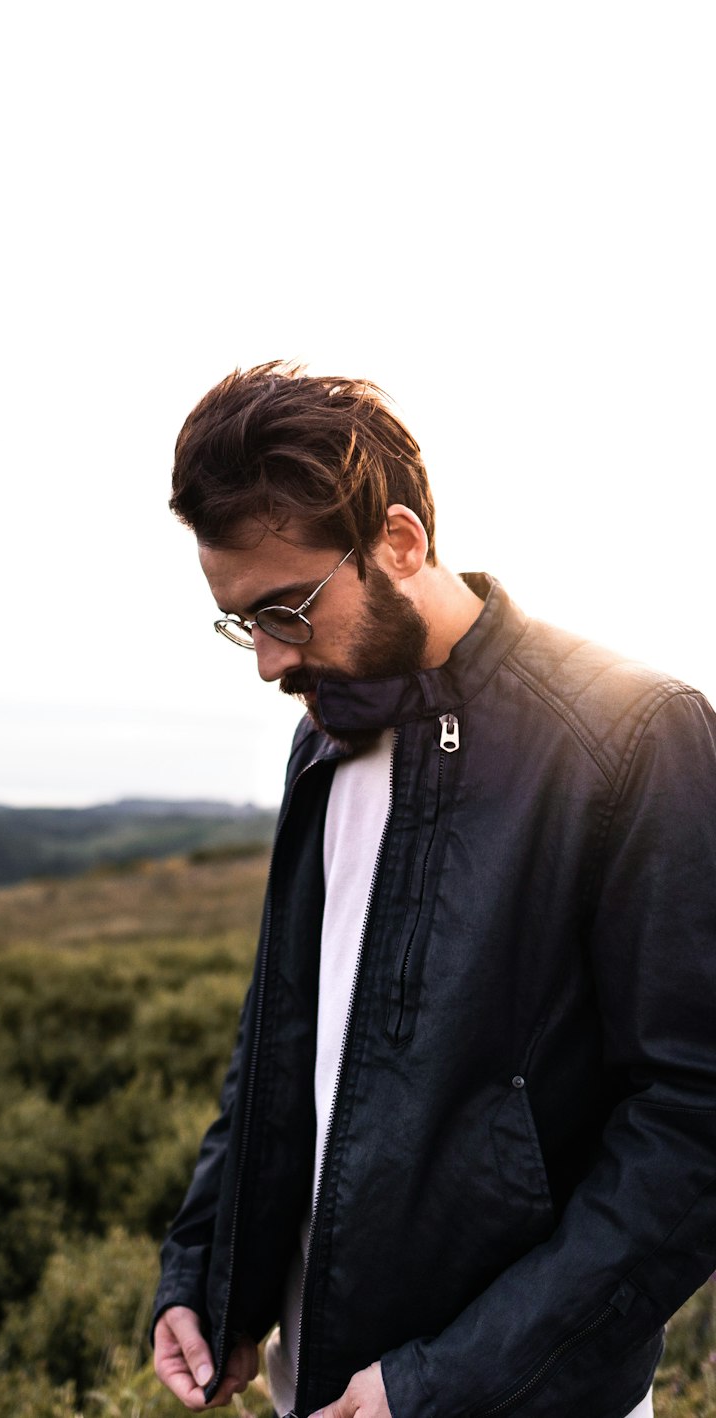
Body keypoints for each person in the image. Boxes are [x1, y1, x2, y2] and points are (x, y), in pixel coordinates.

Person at [151, 361, 716, 1418]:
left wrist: (440, 1384)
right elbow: (281, 1034)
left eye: (285, 610)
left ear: (399, 544)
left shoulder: (632, 734)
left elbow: (694, 1121)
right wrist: (203, 1271)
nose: (269, 662)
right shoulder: (323, 737)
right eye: (242, 621)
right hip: (312, 1391)